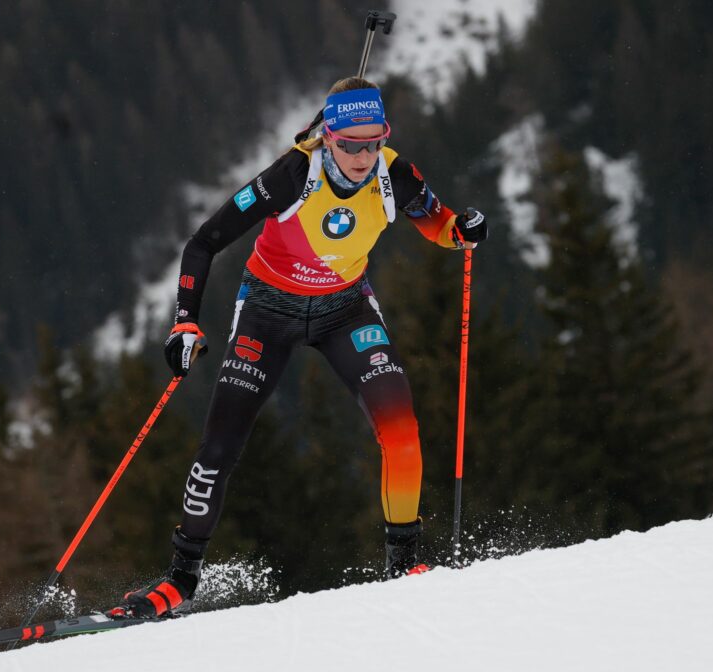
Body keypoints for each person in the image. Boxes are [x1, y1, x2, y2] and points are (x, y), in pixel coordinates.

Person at [108, 77, 488, 620]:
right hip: (267, 311)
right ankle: (179, 580)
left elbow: (438, 221)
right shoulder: (291, 176)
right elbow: (203, 243)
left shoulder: (395, 176)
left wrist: (461, 231)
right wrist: (184, 324)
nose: (362, 156)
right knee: (219, 448)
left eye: (373, 141)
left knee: (401, 430)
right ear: (326, 137)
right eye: (350, 143)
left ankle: (403, 565)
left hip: (346, 310)